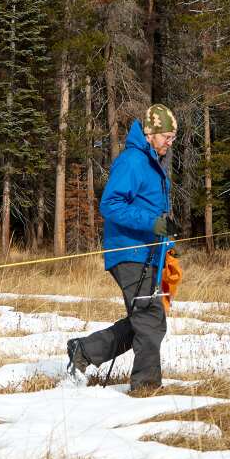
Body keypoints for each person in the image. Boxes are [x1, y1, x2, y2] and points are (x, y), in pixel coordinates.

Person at [67, 104, 175, 393]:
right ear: (151, 134)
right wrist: (151, 223)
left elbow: (149, 208)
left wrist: (164, 231)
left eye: (172, 137)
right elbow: (110, 205)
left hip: (148, 252)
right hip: (129, 252)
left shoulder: (152, 163)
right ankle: (146, 387)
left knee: (147, 319)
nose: (169, 142)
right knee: (150, 318)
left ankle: (84, 351)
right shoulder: (132, 161)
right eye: (167, 136)